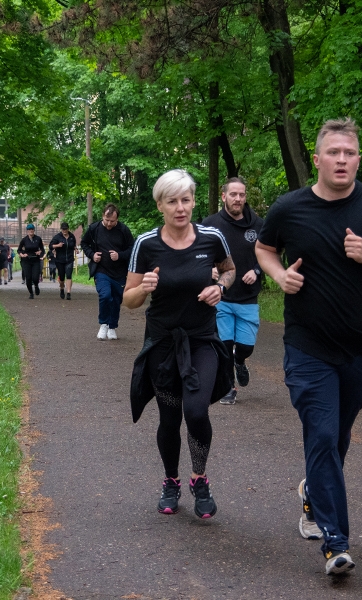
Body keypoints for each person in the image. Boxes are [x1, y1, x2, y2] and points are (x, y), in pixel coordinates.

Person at [255, 118, 362, 576]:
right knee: (322, 436)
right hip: (306, 347)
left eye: (350, 153)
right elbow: (265, 249)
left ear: (358, 159)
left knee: (337, 439)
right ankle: (335, 541)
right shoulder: (289, 207)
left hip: (361, 348)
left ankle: (313, 491)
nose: (342, 160)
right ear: (318, 158)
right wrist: (279, 275)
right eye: (334, 152)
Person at [124, 169, 235, 519]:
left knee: (197, 411)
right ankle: (170, 481)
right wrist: (144, 287)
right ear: (160, 205)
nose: (180, 207)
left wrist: (221, 288)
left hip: (202, 340)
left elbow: (229, 270)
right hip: (162, 345)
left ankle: (199, 478)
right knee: (169, 418)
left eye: (185, 199)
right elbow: (128, 300)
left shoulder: (211, 237)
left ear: (193, 201)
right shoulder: (146, 244)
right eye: (172, 201)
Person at [202, 177, 264, 406]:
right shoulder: (210, 224)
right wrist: (209, 269)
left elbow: (269, 254)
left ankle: (241, 360)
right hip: (222, 296)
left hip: (248, 296)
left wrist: (256, 271)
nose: (238, 199)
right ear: (224, 196)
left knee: (245, 347)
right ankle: (228, 387)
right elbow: (201, 252)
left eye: (242, 195)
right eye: (233, 194)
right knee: (224, 344)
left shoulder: (258, 225)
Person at [81, 204, 135, 340]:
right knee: (105, 295)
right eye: (106, 220)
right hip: (101, 270)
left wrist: (120, 255)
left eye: (112, 221)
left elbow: (132, 248)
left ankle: (112, 327)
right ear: (102, 216)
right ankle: (103, 323)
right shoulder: (94, 229)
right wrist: (92, 255)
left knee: (116, 300)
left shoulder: (123, 230)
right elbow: (84, 243)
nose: (109, 223)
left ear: (117, 219)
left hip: (119, 273)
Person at [50, 222, 77, 300]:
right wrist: (58, 245)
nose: (64, 230)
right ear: (61, 229)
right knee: (62, 278)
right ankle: (62, 288)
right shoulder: (57, 237)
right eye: (63, 229)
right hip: (60, 260)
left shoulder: (72, 236)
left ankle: (68, 293)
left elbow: (73, 245)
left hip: (69, 259)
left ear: (68, 229)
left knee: (69, 275)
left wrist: (76, 249)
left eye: (66, 229)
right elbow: (51, 245)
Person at [17, 224, 45, 299]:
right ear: (27, 231)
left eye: (32, 229)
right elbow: (19, 250)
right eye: (29, 229)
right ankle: (31, 293)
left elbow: (42, 250)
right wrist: (22, 254)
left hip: (35, 260)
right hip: (26, 261)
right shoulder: (24, 240)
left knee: (35, 277)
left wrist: (40, 252)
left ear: (34, 230)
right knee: (28, 278)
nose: (31, 231)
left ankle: (36, 285)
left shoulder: (38, 239)